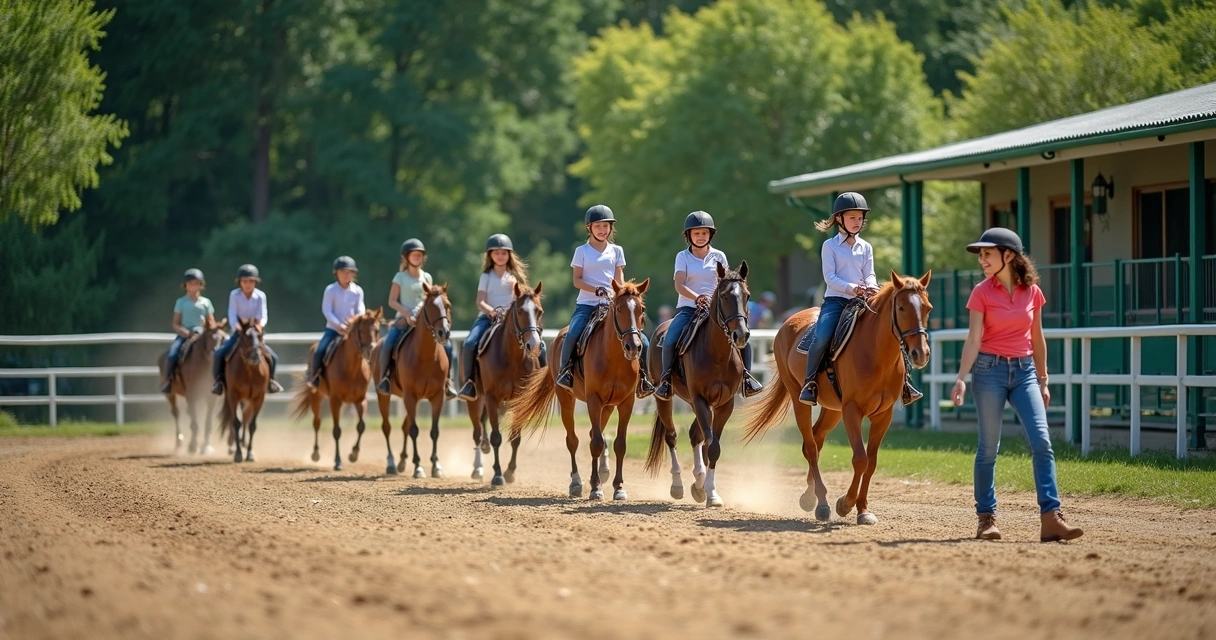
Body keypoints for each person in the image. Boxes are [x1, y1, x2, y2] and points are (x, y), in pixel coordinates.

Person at [951, 227, 1083, 543]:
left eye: (987, 253)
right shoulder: (981, 292)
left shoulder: (1032, 292)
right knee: (988, 449)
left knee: (1042, 442)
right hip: (988, 371)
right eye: (981, 254)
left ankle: (1051, 518)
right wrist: (960, 377)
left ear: (1008, 255)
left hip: (1024, 372)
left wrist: (1043, 379)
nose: (982, 259)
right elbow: (973, 339)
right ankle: (986, 519)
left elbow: (1037, 338)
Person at [798, 192, 922, 406]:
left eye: (860, 218)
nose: (858, 222)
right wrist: (853, 288)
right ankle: (810, 383)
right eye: (852, 217)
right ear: (839, 219)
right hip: (837, 301)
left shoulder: (866, 247)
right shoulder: (830, 246)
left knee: (892, 331)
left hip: (864, 300)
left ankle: (905, 383)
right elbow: (830, 277)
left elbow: (870, 273)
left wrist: (872, 286)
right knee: (822, 335)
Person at [653, 211, 764, 400]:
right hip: (689, 308)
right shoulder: (682, 257)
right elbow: (679, 284)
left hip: (716, 310)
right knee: (670, 339)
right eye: (696, 233)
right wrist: (697, 297)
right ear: (689, 236)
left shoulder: (719, 256)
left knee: (743, 337)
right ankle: (665, 381)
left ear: (710, 235)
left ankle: (746, 378)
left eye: (704, 233)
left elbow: (727, 282)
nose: (700, 236)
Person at [555, 204, 655, 398]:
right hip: (586, 304)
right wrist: (596, 289)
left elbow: (619, 279)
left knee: (642, 339)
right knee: (573, 333)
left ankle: (644, 378)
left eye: (606, 226)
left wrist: (622, 294)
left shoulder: (617, 251)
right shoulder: (581, 251)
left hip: (612, 304)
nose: (602, 230)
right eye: (598, 226)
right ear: (589, 228)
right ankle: (566, 372)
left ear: (610, 228)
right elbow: (577, 280)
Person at [456, 233, 547, 401]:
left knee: (539, 345)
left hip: (510, 320)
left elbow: (521, 300)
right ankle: (469, 383)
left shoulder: (513, 278)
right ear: (490, 255)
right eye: (496, 252)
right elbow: (480, 301)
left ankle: (544, 383)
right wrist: (491, 311)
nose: (500, 256)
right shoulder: (486, 277)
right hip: (487, 317)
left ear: (509, 256)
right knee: (469, 343)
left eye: (504, 253)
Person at [375, 239, 457, 398]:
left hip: (425, 321)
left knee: (447, 347)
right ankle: (385, 379)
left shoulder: (427, 277)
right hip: (403, 319)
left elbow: (429, 301)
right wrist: (406, 313)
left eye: (420, 255)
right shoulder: (400, 277)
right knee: (388, 343)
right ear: (406, 257)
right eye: (414, 255)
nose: (417, 257)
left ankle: (448, 382)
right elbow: (392, 301)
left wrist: (419, 312)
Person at [211, 264, 283, 395]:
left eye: (251, 281)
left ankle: (271, 381)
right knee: (219, 353)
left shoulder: (261, 296)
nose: (248, 284)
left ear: (255, 282)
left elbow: (263, 315)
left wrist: (259, 325)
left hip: (255, 332)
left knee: (273, 357)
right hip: (239, 332)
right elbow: (232, 315)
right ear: (240, 282)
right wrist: (238, 327)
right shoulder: (234, 295)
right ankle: (219, 382)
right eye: (245, 281)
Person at [306, 256, 365, 390]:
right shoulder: (330, 290)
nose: (346, 275)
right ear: (336, 273)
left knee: (367, 349)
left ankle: (368, 377)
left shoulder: (357, 291)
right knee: (319, 350)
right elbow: (327, 310)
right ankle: (314, 377)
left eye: (349, 272)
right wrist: (339, 325)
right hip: (333, 329)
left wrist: (353, 323)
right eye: (343, 272)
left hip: (352, 331)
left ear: (353, 274)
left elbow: (361, 309)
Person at [161, 268, 217, 393]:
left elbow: (212, 323)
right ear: (185, 286)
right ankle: (168, 380)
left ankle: (220, 380)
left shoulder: (206, 303)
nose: (193, 286)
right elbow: (175, 324)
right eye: (190, 283)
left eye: (196, 283)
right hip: (185, 335)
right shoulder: (181, 302)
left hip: (202, 335)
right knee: (172, 353)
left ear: (201, 285)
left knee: (217, 352)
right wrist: (185, 332)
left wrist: (206, 325)